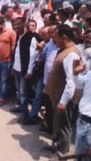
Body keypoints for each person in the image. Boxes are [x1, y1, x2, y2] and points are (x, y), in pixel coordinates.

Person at [44, 24, 80, 155]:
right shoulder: (63, 49)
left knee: (64, 125)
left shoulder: (71, 54)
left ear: (64, 37)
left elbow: (71, 82)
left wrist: (63, 102)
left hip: (64, 97)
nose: (54, 41)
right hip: (57, 95)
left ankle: (63, 152)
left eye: (56, 38)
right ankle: (56, 145)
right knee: (57, 122)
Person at [72, 58, 91, 161]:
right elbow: (79, 84)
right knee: (79, 155)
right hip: (82, 120)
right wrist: (75, 74)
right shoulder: (90, 74)